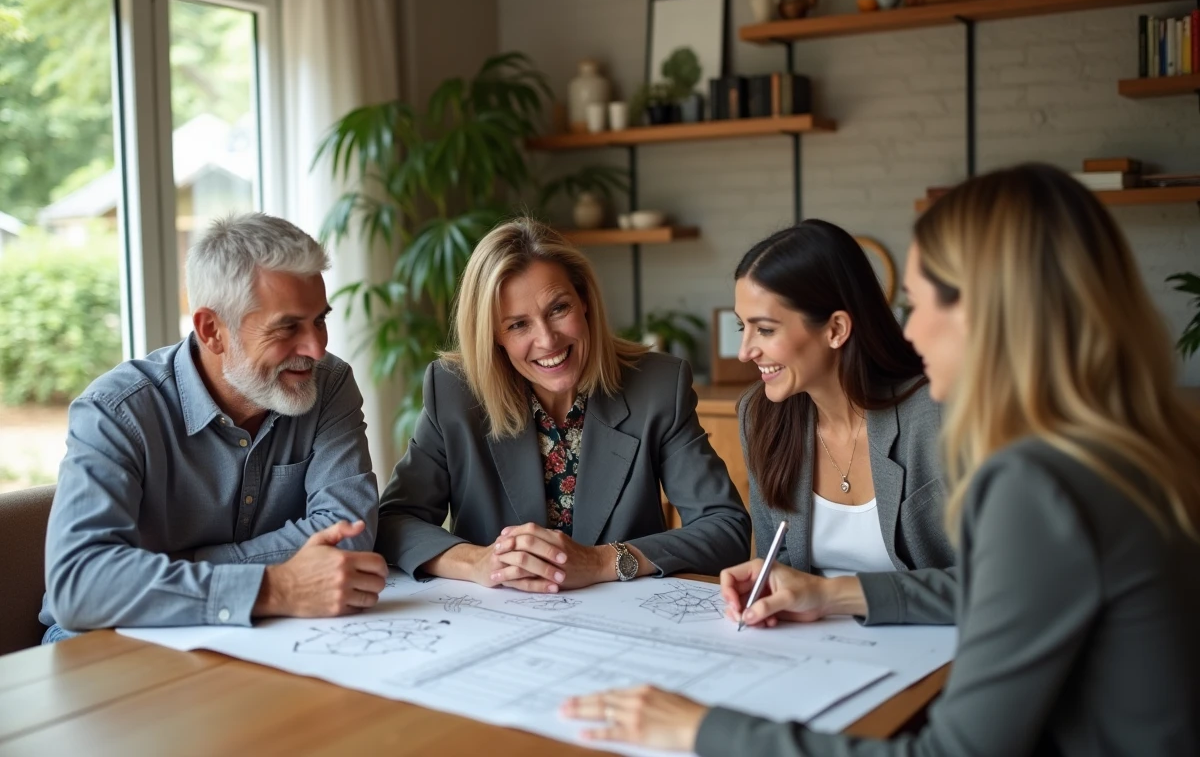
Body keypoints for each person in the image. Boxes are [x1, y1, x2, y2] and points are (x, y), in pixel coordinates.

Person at [561, 163, 1200, 754]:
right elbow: (995, 594)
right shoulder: (1127, 450)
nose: (912, 331)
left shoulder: (1036, 481)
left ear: (992, 312)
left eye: (921, 304)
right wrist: (826, 594)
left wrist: (700, 727)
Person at [41, 213, 387, 642]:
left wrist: (181, 566)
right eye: (288, 327)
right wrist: (276, 586)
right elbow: (80, 586)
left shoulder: (328, 384)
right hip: (112, 637)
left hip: (266, 632)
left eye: (319, 320)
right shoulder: (116, 411)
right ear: (212, 331)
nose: (316, 348)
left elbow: (349, 534)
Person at [375, 219, 750, 592]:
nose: (547, 339)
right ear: (493, 335)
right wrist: (477, 562)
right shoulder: (454, 393)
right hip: (499, 623)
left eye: (558, 308)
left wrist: (602, 561)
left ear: (584, 300)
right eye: (518, 325)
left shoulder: (657, 387)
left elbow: (725, 529)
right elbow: (394, 522)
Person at [734, 221, 954, 622]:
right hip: (817, 654)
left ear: (836, 329)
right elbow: (776, 563)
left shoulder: (936, 415)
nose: (745, 352)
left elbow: (1000, 584)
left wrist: (830, 595)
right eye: (741, 326)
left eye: (764, 329)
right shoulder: (760, 418)